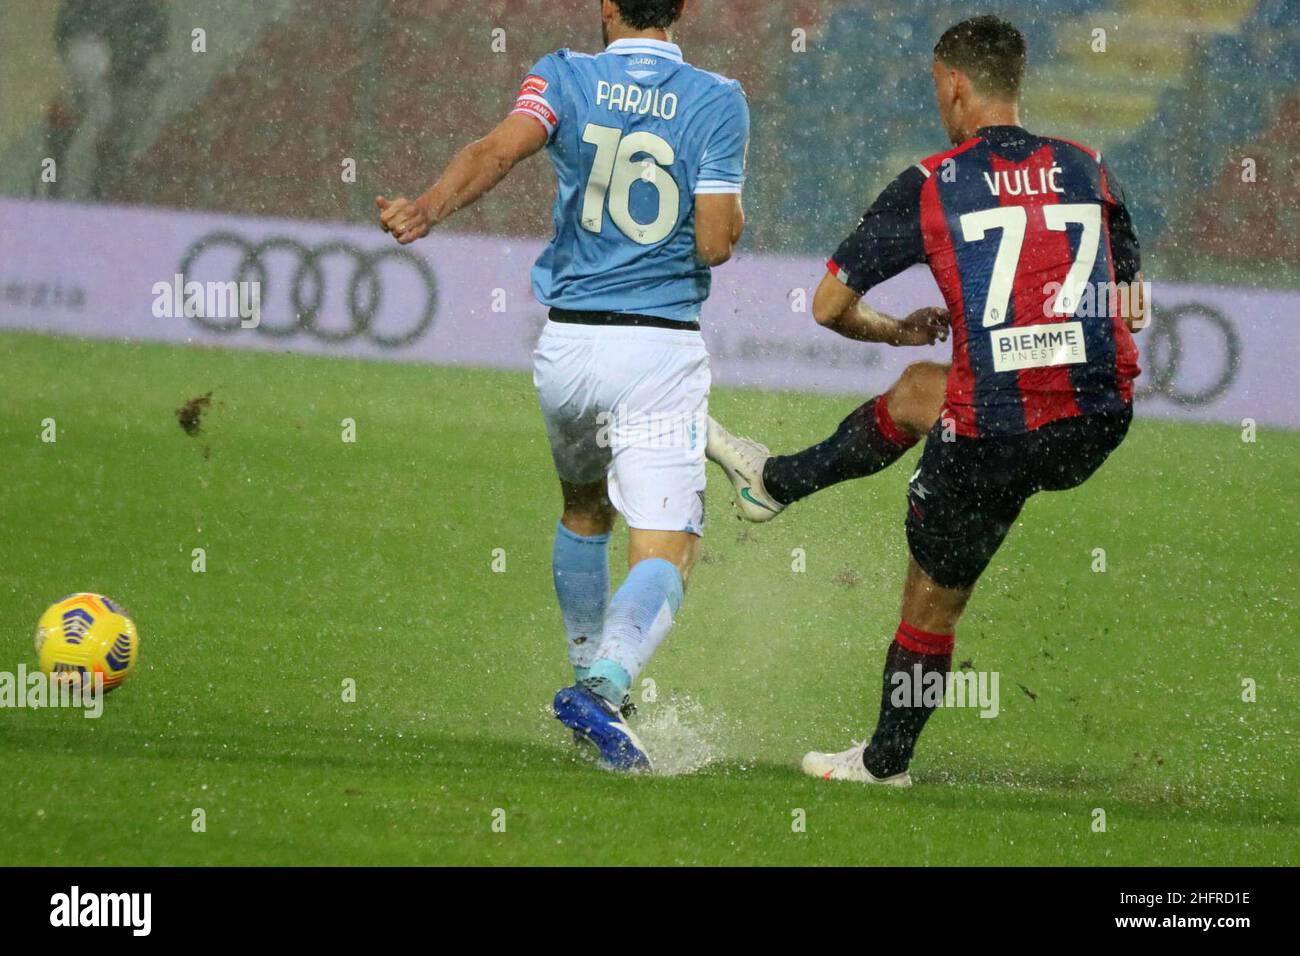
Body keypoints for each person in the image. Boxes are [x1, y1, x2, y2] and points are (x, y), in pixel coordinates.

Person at [708, 15, 1146, 786]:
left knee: (932, 596)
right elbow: (1132, 299)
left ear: (954, 85)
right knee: (920, 395)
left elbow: (827, 306)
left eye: (935, 88)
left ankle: (884, 764)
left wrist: (893, 330)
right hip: (1097, 416)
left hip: (999, 430)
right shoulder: (1090, 169)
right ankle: (774, 482)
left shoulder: (933, 181)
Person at [377, 0, 748, 771]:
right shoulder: (718, 98)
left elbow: (496, 150)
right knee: (669, 545)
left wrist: (427, 208)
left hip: (568, 344)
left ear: (608, 7)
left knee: (584, 508)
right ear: (680, 10)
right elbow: (715, 242)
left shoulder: (563, 75)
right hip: (656, 351)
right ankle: (604, 689)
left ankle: (587, 671)